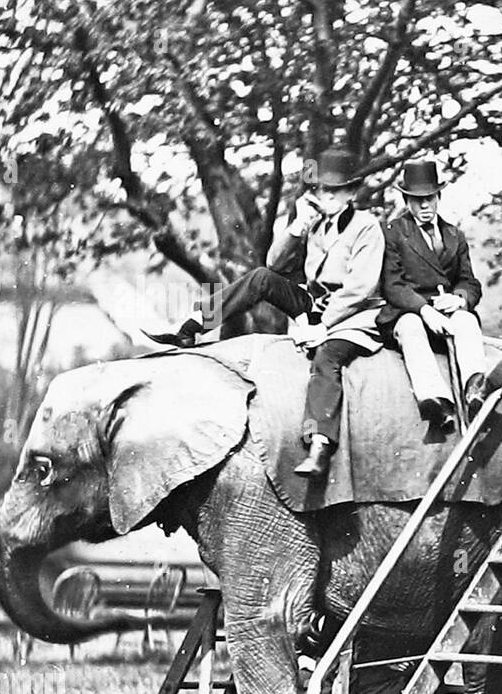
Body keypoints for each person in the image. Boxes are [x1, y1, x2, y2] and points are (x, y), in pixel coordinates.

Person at [145, 146, 386, 478]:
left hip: (351, 314)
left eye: (336, 190)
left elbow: (360, 289)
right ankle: (193, 325)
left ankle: (318, 444)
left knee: (327, 358)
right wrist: (298, 226)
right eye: (321, 190)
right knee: (260, 278)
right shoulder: (315, 224)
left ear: (352, 192)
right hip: (314, 305)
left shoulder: (367, 226)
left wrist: (323, 326)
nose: (327, 197)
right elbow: (274, 264)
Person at [377, 159, 488, 433]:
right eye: (416, 200)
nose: (424, 206)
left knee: (466, 321)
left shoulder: (454, 235)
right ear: (406, 200)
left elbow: (469, 281)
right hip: (409, 312)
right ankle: (437, 400)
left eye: (429, 198)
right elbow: (392, 285)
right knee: (411, 327)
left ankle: (475, 389)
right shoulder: (393, 233)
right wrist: (424, 310)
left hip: (446, 311)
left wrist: (459, 298)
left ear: (438, 196)